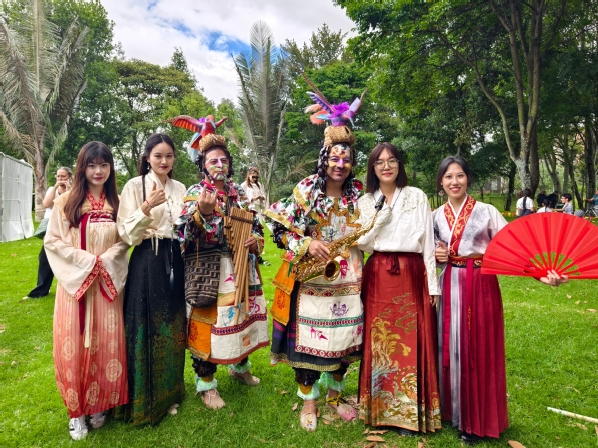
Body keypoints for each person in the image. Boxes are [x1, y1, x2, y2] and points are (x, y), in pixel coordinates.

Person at [433, 156, 568, 445]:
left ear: (468, 178)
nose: (454, 182)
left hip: (480, 284)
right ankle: (450, 411)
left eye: (460, 175)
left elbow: (514, 248)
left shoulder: (487, 212)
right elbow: (429, 251)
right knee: (450, 346)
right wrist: (437, 254)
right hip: (448, 284)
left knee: (478, 348)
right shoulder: (435, 216)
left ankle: (475, 419)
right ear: (441, 182)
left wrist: (542, 275)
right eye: (448, 177)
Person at [265, 87, 366, 431]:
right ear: (325, 157)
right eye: (335, 158)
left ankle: (335, 397)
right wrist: (306, 243)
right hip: (311, 281)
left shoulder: (359, 192)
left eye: (346, 159)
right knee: (308, 347)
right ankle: (309, 401)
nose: (340, 165)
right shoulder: (308, 188)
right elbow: (277, 225)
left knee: (345, 340)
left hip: (349, 280)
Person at [176, 132, 269, 410]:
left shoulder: (238, 192)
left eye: (224, 160)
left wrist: (255, 241)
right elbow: (182, 234)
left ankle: (240, 367)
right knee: (210, 326)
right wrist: (203, 214)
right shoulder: (195, 192)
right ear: (203, 165)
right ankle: (206, 383)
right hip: (210, 271)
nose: (219, 165)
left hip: (242, 267)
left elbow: (256, 225)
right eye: (213, 161)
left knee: (242, 318)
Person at [44, 142, 129, 440]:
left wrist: (104, 262)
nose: (98, 171)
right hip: (75, 287)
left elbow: (125, 240)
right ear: (82, 167)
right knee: (74, 344)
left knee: (107, 342)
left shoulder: (118, 202)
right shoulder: (66, 202)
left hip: (106, 284)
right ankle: (76, 412)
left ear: (110, 168)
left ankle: (99, 404)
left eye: (104, 165)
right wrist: (87, 262)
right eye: (92, 165)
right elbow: (53, 241)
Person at [356, 143, 441, 435]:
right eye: (379, 162)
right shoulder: (365, 201)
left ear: (399, 165)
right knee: (380, 342)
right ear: (373, 168)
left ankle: (411, 412)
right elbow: (362, 243)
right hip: (379, 273)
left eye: (392, 160)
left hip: (411, 273)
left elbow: (428, 243)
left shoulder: (416, 196)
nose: (386, 166)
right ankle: (379, 409)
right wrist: (379, 220)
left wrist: (433, 285)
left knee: (411, 338)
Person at [117, 133, 187, 425]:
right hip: (148, 258)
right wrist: (146, 206)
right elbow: (125, 233)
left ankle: (171, 392)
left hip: (175, 258)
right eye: (158, 155)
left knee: (173, 324)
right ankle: (146, 398)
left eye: (169, 155)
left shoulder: (180, 188)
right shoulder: (135, 186)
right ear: (147, 157)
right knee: (148, 325)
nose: (164, 161)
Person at [26, 167, 73, 299]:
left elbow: (71, 207)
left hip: (67, 227)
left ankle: (70, 288)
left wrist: (68, 190)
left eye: (63, 176)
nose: (60, 179)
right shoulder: (52, 189)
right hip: (51, 227)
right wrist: (55, 187)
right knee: (45, 257)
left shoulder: (74, 190)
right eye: (58, 176)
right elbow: (46, 204)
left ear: (69, 177)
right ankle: (41, 290)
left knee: (68, 257)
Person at [241, 167, 270, 265]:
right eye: (253, 177)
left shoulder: (259, 185)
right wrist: (253, 198)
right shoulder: (244, 185)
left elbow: (264, 196)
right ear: (248, 175)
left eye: (257, 177)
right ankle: (248, 252)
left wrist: (261, 197)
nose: (255, 179)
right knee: (250, 230)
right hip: (248, 210)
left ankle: (258, 252)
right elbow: (241, 199)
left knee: (259, 230)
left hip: (257, 210)